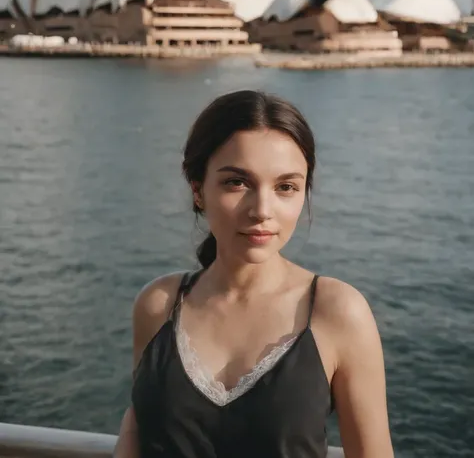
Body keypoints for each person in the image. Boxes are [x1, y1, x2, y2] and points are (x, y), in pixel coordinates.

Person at [114, 90, 394, 458]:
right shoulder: (159, 305)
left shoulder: (338, 312)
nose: (262, 210)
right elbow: (138, 426)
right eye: (237, 182)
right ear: (197, 189)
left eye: (285, 187)